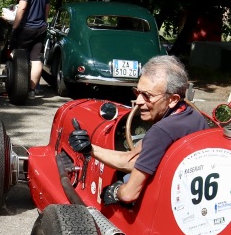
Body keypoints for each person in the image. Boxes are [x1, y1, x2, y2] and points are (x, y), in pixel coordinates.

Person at [68, 55, 206, 206]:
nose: (139, 101)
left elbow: (129, 195)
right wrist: (90, 149)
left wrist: (115, 191)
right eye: (137, 92)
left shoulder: (161, 131)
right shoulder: (195, 117)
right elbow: (133, 159)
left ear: (173, 99)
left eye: (147, 96)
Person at [9, 0, 50, 97]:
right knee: (36, 59)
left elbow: (22, 7)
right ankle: (32, 91)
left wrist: (15, 27)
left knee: (19, 56)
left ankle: (18, 86)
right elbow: (47, 8)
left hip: (26, 27)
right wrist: (44, 22)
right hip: (41, 27)